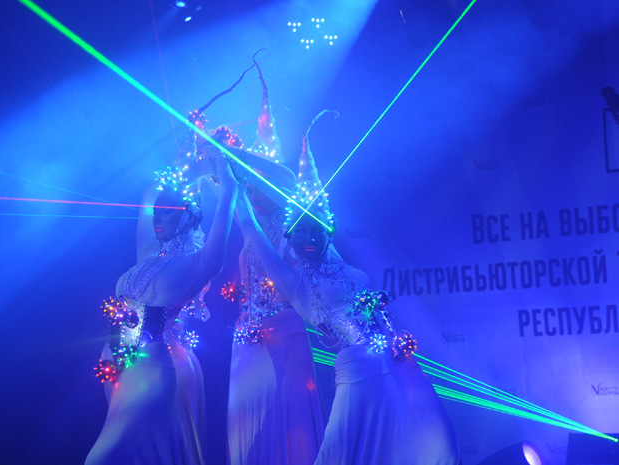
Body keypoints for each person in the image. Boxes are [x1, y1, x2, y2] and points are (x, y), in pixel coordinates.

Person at [233, 118, 460, 465]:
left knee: (430, 443)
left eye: (316, 230)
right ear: (289, 237)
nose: (309, 237)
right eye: (300, 231)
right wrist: (234, 182)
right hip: (356, 372)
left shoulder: (350, 270)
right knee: (340, 452)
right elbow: (250, 226)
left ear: (329, 231)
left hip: (396, 364)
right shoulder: (294, 280)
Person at [85, 138, 238, 465]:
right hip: (115, 366)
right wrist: (186, 164)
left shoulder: (200, 261)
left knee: (103, 459)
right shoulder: (150, 254)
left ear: (190, 217)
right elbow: (149, 195)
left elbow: (228, 195)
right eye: (158, 212)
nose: (158, 217)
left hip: (152, 368)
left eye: (168, 212)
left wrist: (217, 165)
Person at [224, 61, 326, 465]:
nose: (252, 191)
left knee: (289, 429)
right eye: (248, 185)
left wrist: (235, 153)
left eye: (257, 184)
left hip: (284, 336)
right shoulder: (247, 223)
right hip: (245, 341)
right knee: (247, 435)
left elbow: (283, 175)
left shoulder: (293, 225)